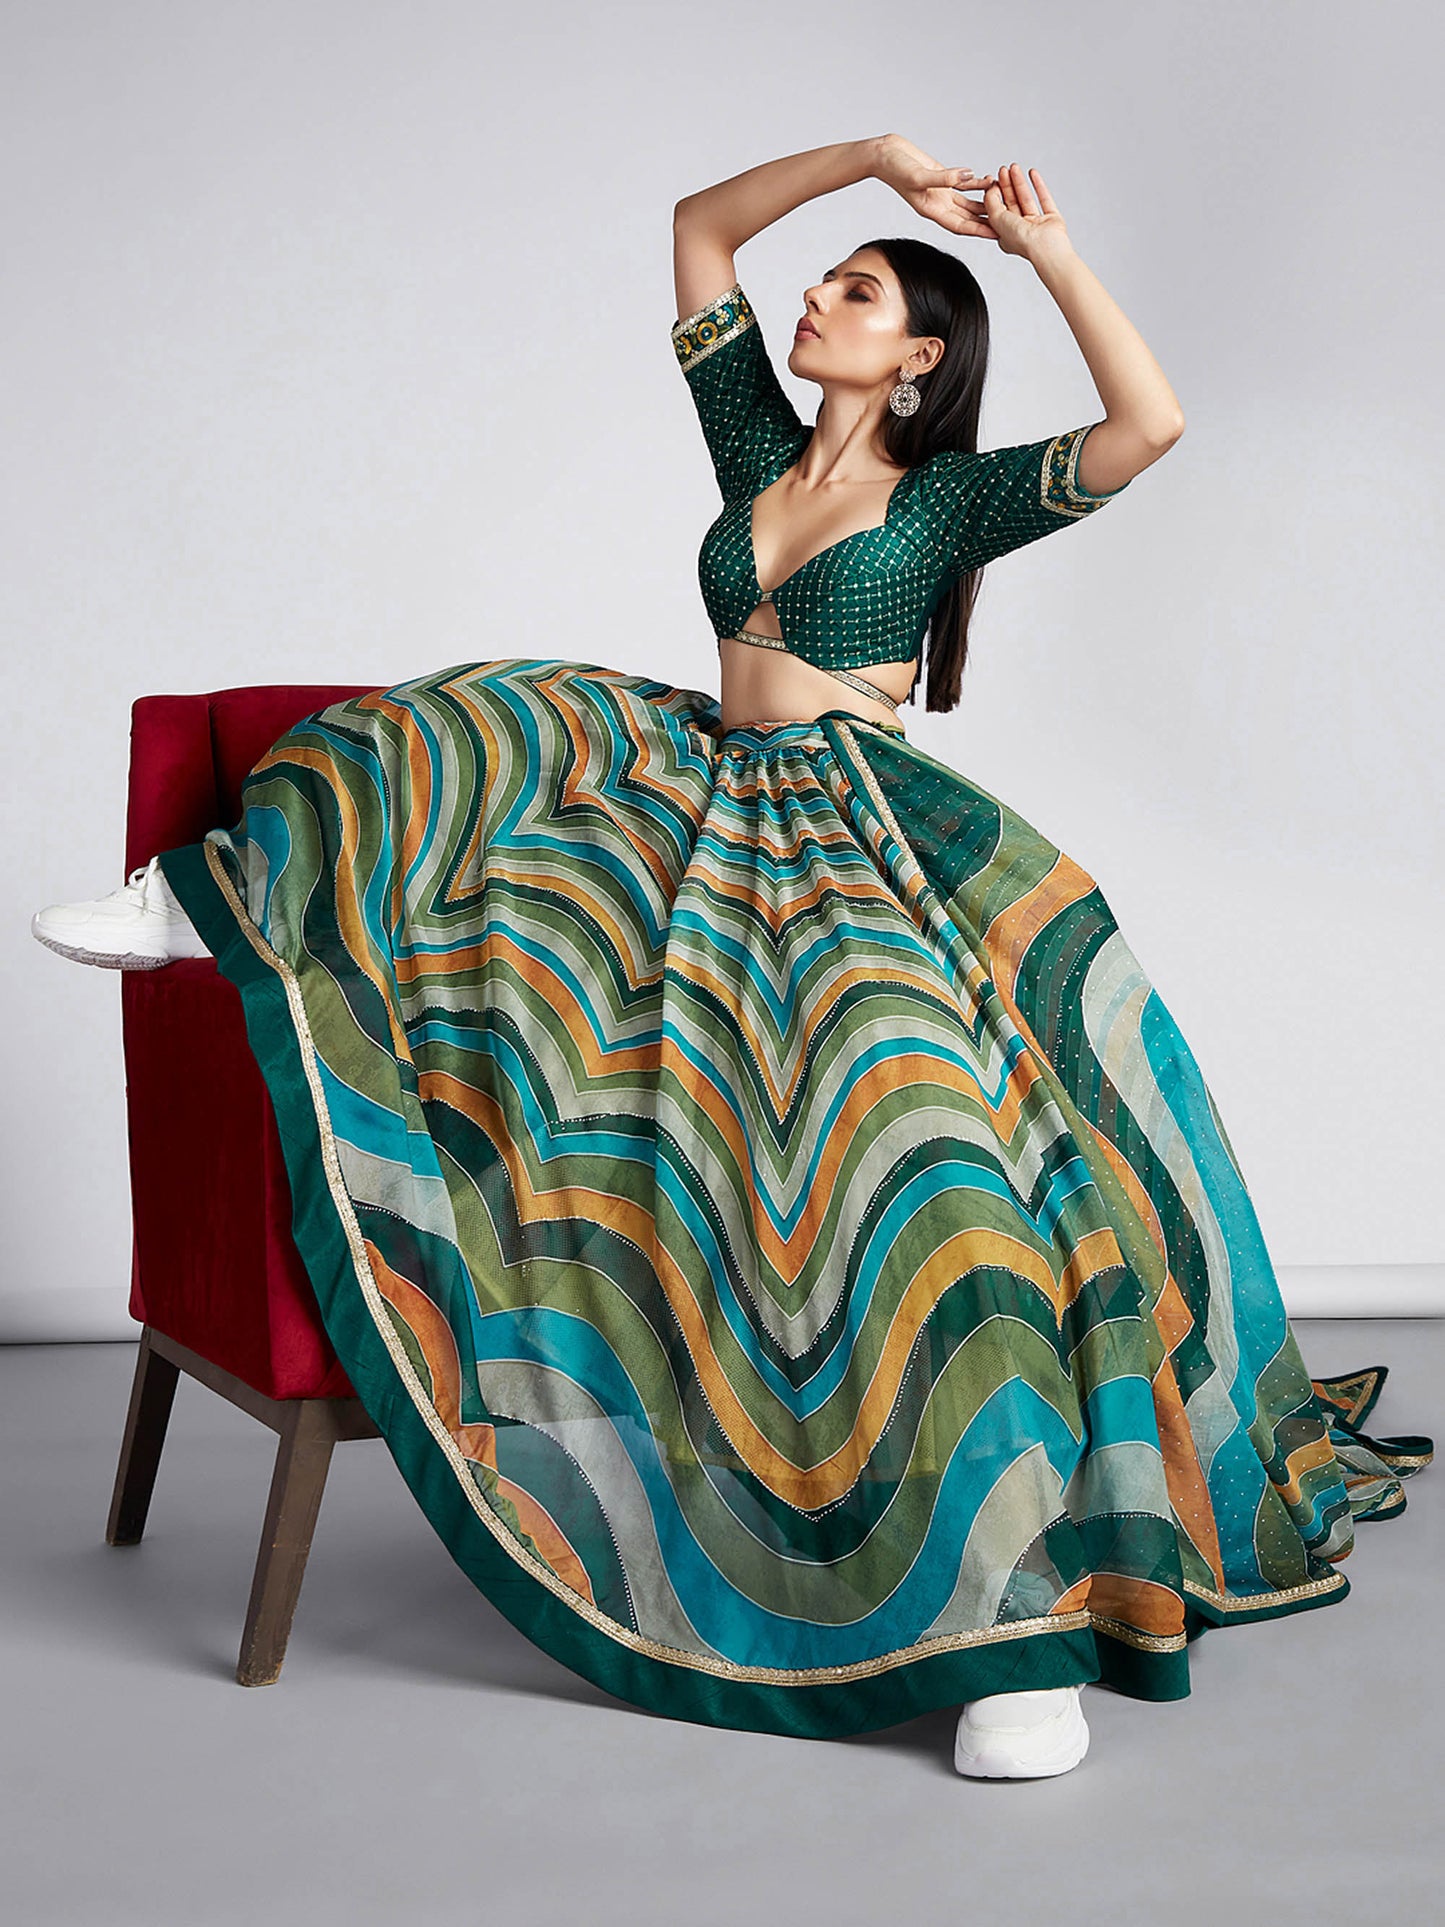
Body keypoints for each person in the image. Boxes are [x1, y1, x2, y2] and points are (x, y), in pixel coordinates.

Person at [33, 135, 1431, 1779]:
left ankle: (1014, 1627)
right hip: (690, 788)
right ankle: (205, 898)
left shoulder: (949, 500)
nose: (814, 296)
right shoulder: (757, 444)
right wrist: (871, 164)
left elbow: (1149, 427)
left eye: (856, 290)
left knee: (926, 1160)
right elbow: (699, 229)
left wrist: (1039, 251)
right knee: (469, 716)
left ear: (916, 359)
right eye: (824, 278)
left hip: (851, 834)